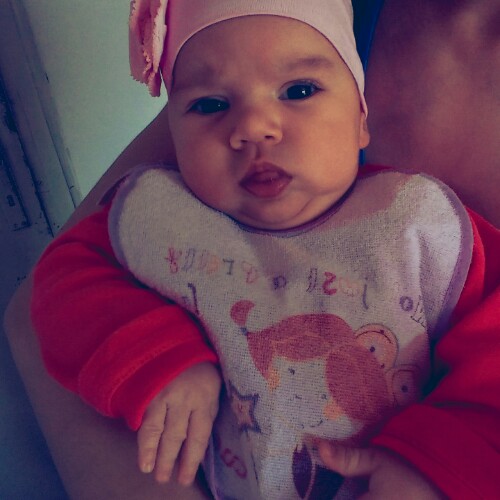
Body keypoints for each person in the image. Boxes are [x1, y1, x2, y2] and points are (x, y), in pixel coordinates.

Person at [4, 0, 499, 499]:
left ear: (360, 118)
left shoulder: (416, 223)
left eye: (299, 91)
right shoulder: (167, 216)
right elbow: (63, 284)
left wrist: (436, 466)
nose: (253, 126)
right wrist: (156, 357)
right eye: (210, 105)